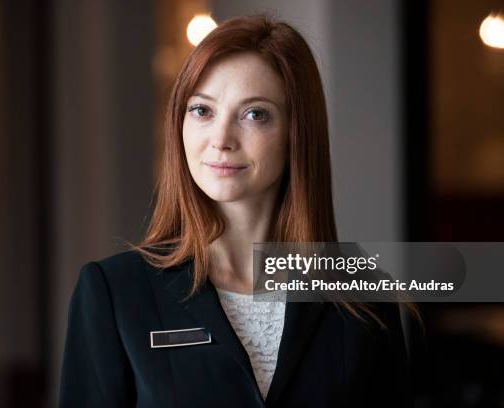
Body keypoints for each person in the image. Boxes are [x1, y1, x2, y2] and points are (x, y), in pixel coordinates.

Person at [59, 14, 412, 407]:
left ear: (296, 132)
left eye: (254, 114)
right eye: (202, 110)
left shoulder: (364, 296)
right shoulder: (113, 292)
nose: (221, 139)